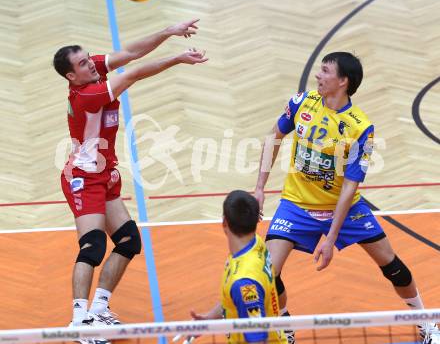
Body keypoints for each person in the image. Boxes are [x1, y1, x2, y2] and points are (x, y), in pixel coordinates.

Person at [254, 52, 437, 344]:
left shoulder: (360, 127)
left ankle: (426, 322)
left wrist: (331, 238)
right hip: (296, 206)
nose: (318, 76)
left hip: (345, 208)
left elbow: (350, 187)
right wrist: (260, 187)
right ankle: (284, 324)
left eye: (325, 71)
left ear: (343, 81)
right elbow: (273, 136)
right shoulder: (302, 102)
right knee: (267, 272)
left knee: (392, 265)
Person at [53, 19, 208, 343]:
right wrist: (177, 58)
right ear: (72, 76)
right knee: (92, 247)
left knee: (128, 241)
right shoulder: (88, 95)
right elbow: (134, 73)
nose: (91, 64)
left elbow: (129, 53)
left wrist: (168, 31)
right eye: (83, 63)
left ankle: (99, 308)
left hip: (105, 171)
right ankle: (80, 321)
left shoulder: (91, 71)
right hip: (84, 178)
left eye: (88, 58)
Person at [187, 190, 287, 344]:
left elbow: (258, 340)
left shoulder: (244, 283)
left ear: (224, 222)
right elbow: (236, 298)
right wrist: (209, 318)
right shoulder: (257, 245)